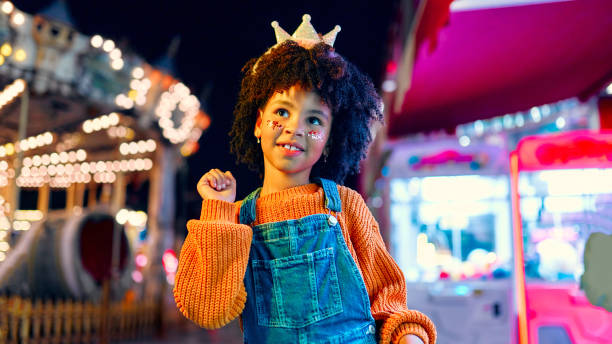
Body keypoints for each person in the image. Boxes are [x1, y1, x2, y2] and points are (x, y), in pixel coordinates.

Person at [173, 14, 436, 344]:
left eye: (314, 119)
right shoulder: (236, 217)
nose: (295, 128)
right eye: (282, 111)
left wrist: (409, 337)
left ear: (328, 138)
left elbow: (388, 302)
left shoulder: (347, 207)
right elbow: (209, 310)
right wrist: (217, 212)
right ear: (258, 123)